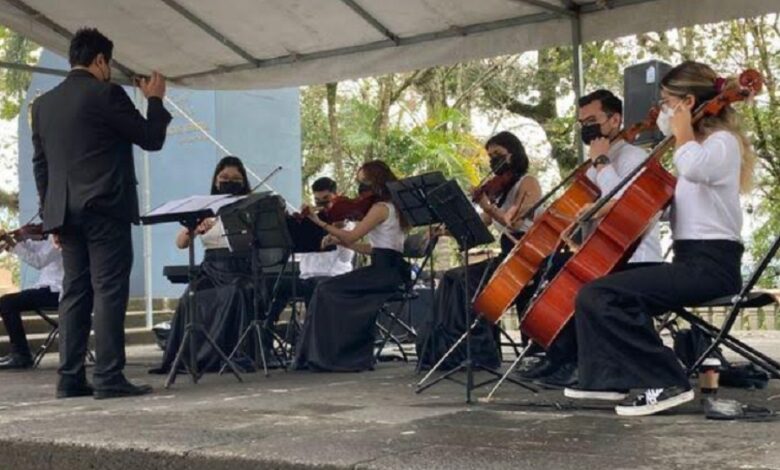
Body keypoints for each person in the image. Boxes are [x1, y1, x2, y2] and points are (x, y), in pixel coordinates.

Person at [565, 61, 755, 417]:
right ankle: (610, 377)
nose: (663, 111)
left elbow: (693, 166)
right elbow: (674, 207)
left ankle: (668, 381)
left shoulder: (722, 143)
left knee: (601, 295)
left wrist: (681, 130)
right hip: (690, 261)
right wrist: (607, 210)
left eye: (668, 102)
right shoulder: (697, 147)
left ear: (687, 102)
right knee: (597, 292)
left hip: (712, 265)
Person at [31, 28, 171, 399]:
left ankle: (70, 378)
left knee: (75, 292)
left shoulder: (43, 106)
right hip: (105, 207)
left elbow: (41, 167)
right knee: (109, 290)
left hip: (66, 213)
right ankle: (109, 377)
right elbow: (150, 138)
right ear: (100, 61)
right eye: (108, 64)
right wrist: (154, 100)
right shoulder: (107, 93)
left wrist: (51, 218)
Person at [523, 90, 664, 388]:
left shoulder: (633, 156)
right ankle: (557, 353)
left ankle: (573, 359)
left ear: (615, 120)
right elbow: (584, 209)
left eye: (592, 120)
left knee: (573, 277)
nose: (586, 128)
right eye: (581, 123)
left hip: (633, 257)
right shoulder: (595, 162)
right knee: (548, 264)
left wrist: (600, 161)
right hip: (600, 253)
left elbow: (625, 204)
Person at [416, 131, 542, 370]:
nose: (493, 160)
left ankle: (481, 353)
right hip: (508, 256)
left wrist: (487, 205)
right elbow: (479, 223)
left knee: (467, 282)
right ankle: (451, 349)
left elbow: (513, 222)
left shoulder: (528, 182)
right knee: (452, 277)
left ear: (513, 153)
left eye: (498, 154)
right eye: (490, 155)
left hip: (526, 256)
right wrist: (446, 228)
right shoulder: (500, 189)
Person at [294, 161, 408, 372]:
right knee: (327, 288)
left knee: (326, 288)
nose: (360, 188)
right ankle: (332, 353)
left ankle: (335, 355)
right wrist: (341, 242)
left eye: (364, 181)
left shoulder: (381, 208)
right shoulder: (392, 208)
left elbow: (352, 234)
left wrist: (318, 222)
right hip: (390, 269)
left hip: (384, 273)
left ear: (377, 181)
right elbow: (375, 249)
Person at [152, 156, 255, 374]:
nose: (229, 181)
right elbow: (181, 243)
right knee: (190, 296)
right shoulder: (205, 207)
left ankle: (227, 355)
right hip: (210, 269)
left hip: (240, 268)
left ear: (243, 181)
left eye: (236, 178)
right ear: (216, 180)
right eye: (224, 177)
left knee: (235, 292)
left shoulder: (249, 205)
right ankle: (191, 357)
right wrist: (195, 228)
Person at [264, 177, 354, 340]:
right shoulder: (312, 220)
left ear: (336, 196)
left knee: (315, 285)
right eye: (317, 201)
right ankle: (265, 337)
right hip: (306, 277)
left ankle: (313, 341)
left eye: (326, 200)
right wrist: (296, 224)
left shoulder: (345, 222)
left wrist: (334, 231)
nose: (321, 205)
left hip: (335, 277)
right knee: (273, 285)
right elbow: (297, 250)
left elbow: (346, 258)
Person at [0, 233, 63, 370]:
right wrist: (17, 241)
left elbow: (38, 261)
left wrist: (12, 242)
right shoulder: (48, 241)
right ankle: (19, 352)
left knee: (7, 303)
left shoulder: (59, 237)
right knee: (7, 302)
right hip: (47, 290)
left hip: (57, 291)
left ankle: (22, 354)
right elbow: (34, 247)